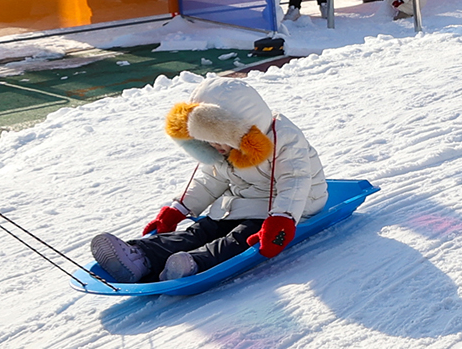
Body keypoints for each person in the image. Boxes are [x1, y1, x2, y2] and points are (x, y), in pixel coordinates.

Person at [88, 77, 327, 283]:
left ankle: (194, 263)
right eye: (208, 140)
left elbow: (295, 181)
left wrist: (281, 219)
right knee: (204, 228)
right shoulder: (221, 150)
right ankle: (140, 255)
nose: (214, 146)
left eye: (219, 138)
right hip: (247, 201)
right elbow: (210, 180)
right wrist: (179, 209)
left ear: (241, 131)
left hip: (295, 204)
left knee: (242, 236)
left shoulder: (284, 138)